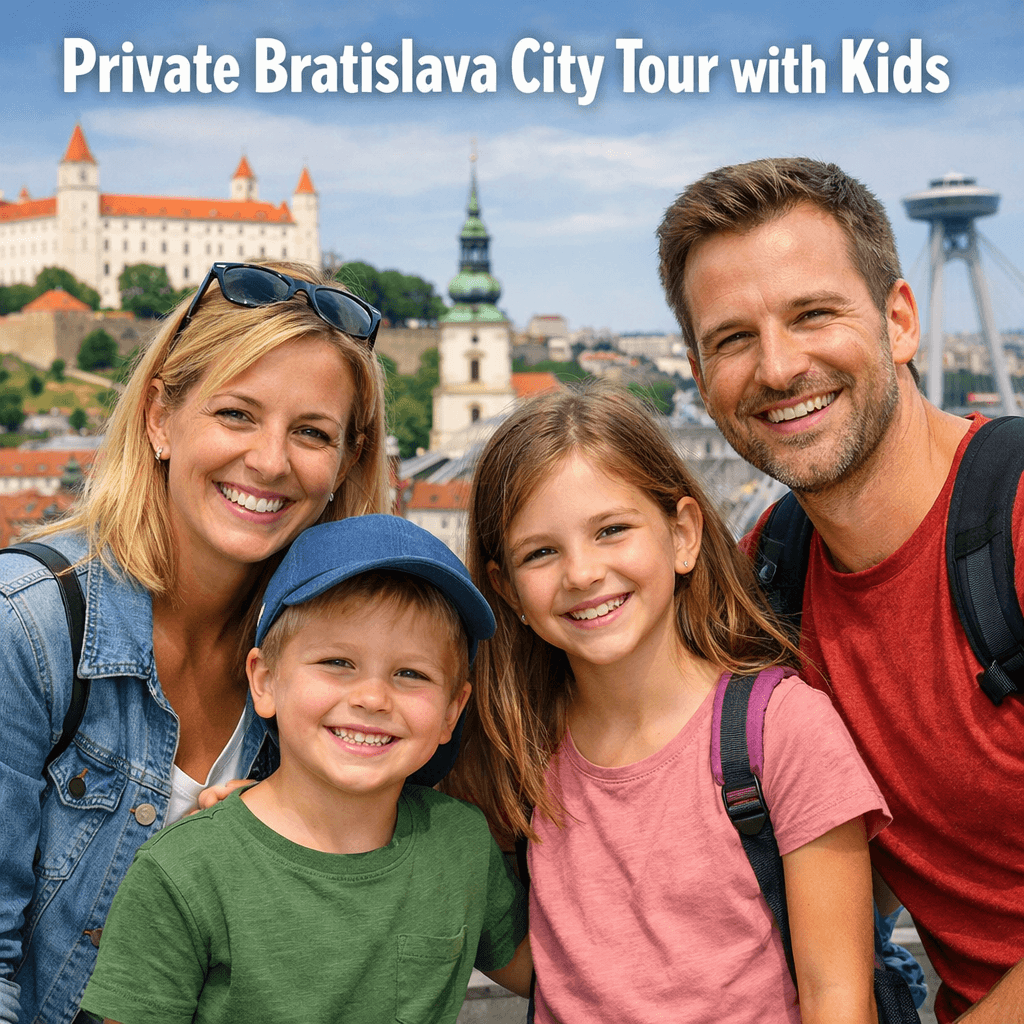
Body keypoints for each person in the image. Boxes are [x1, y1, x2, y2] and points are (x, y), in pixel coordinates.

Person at [656, 157, 1024, 1023]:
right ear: (700, 377)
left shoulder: (1013, 523)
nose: (779, 368)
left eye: (813, 315)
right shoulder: (770, 578)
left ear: (899, 321)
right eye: (733, 339)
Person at [0, 260, 393, 1024]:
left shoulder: (341, 678)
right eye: (237, 414)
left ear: (346, 462)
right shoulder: (28, 627)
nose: (271, 460)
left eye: (312, 432)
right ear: (160, 418)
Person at [443, 382, 890, 1023]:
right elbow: (553, 965)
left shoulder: (783, 731)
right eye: (541, 552)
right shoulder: (515, 746)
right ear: (507, 590)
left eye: (611, 530)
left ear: (682, 535)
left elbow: (838, 998)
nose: (582, 573)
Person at [79, 514, 530, 1023]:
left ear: (451, 711)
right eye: (338, 663)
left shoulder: (460, 845)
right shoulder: (182, 873)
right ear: (265, 681)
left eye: (411, 673)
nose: (372, 698)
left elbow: (563, 977)